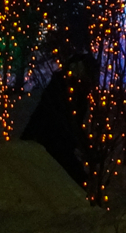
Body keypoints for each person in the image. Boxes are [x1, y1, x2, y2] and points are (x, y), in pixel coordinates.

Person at [20, 52, 100, 189]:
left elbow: (74, 123)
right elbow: (67, 122)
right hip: (47, 141)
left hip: (53, 141)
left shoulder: (76, 91)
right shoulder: (64, 89)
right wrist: (86, 148)